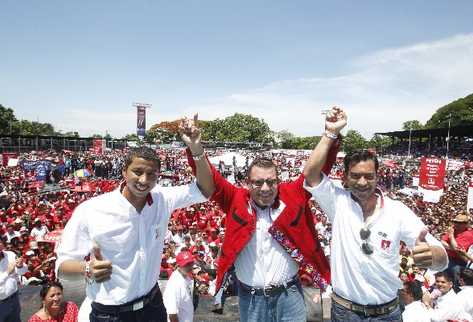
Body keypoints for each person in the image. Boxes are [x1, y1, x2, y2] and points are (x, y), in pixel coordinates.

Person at [55, 115, 215, 322]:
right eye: (137, 172)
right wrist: (87, 268)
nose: (144, 180)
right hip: (110, 313)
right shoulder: (92, 210)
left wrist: (196, 147)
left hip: (153, 305)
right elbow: (62, 265)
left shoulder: (162, 199)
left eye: (152, 175)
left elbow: (206, 189)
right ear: (124, 171)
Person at [185, 114, 339, 322]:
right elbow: (211, 179)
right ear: (247, 183)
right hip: (250, 299)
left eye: (271, 182)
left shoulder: (293, 195)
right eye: (258, 183)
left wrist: (330, 133)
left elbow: (314, 172)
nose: (265, 189)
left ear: (279, 180)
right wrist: (195, 148)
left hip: (290, 296)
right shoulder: (235, 199)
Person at [302, 107, 448, 321]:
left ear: (378, 176)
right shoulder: (337, 201)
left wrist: (432, 256)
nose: (362, 182)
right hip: (344, 312)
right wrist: (330, 133)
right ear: (345, 177)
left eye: (369, 176)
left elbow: (441, 258)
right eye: (356, 176)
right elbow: (310, 173)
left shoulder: (397, 211)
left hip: (387, 313)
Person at [441, 213, 473, 289]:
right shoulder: (453, 230)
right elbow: (442, 242)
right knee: (443, 279)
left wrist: (451, 236)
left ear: (466, 224)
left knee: (455, 282)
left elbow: (458, 248)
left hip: (458, 262)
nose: (456, 224)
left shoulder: (468, 234)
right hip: (448, 258)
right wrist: (452, 248)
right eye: (455, 222)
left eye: (459, 223)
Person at [0, 237, 28, 322]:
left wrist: (20, 266)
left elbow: (22, 272)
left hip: (14, 298)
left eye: (0, 242)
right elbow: (8, 272)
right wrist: (7, 272)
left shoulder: (10, 254)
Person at [163, 251, 195, 322]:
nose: (189, 267)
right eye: (186, 264)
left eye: (190, 263)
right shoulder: (175, 283)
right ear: (178, 265)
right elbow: (172, 314)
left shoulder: (186, 277)